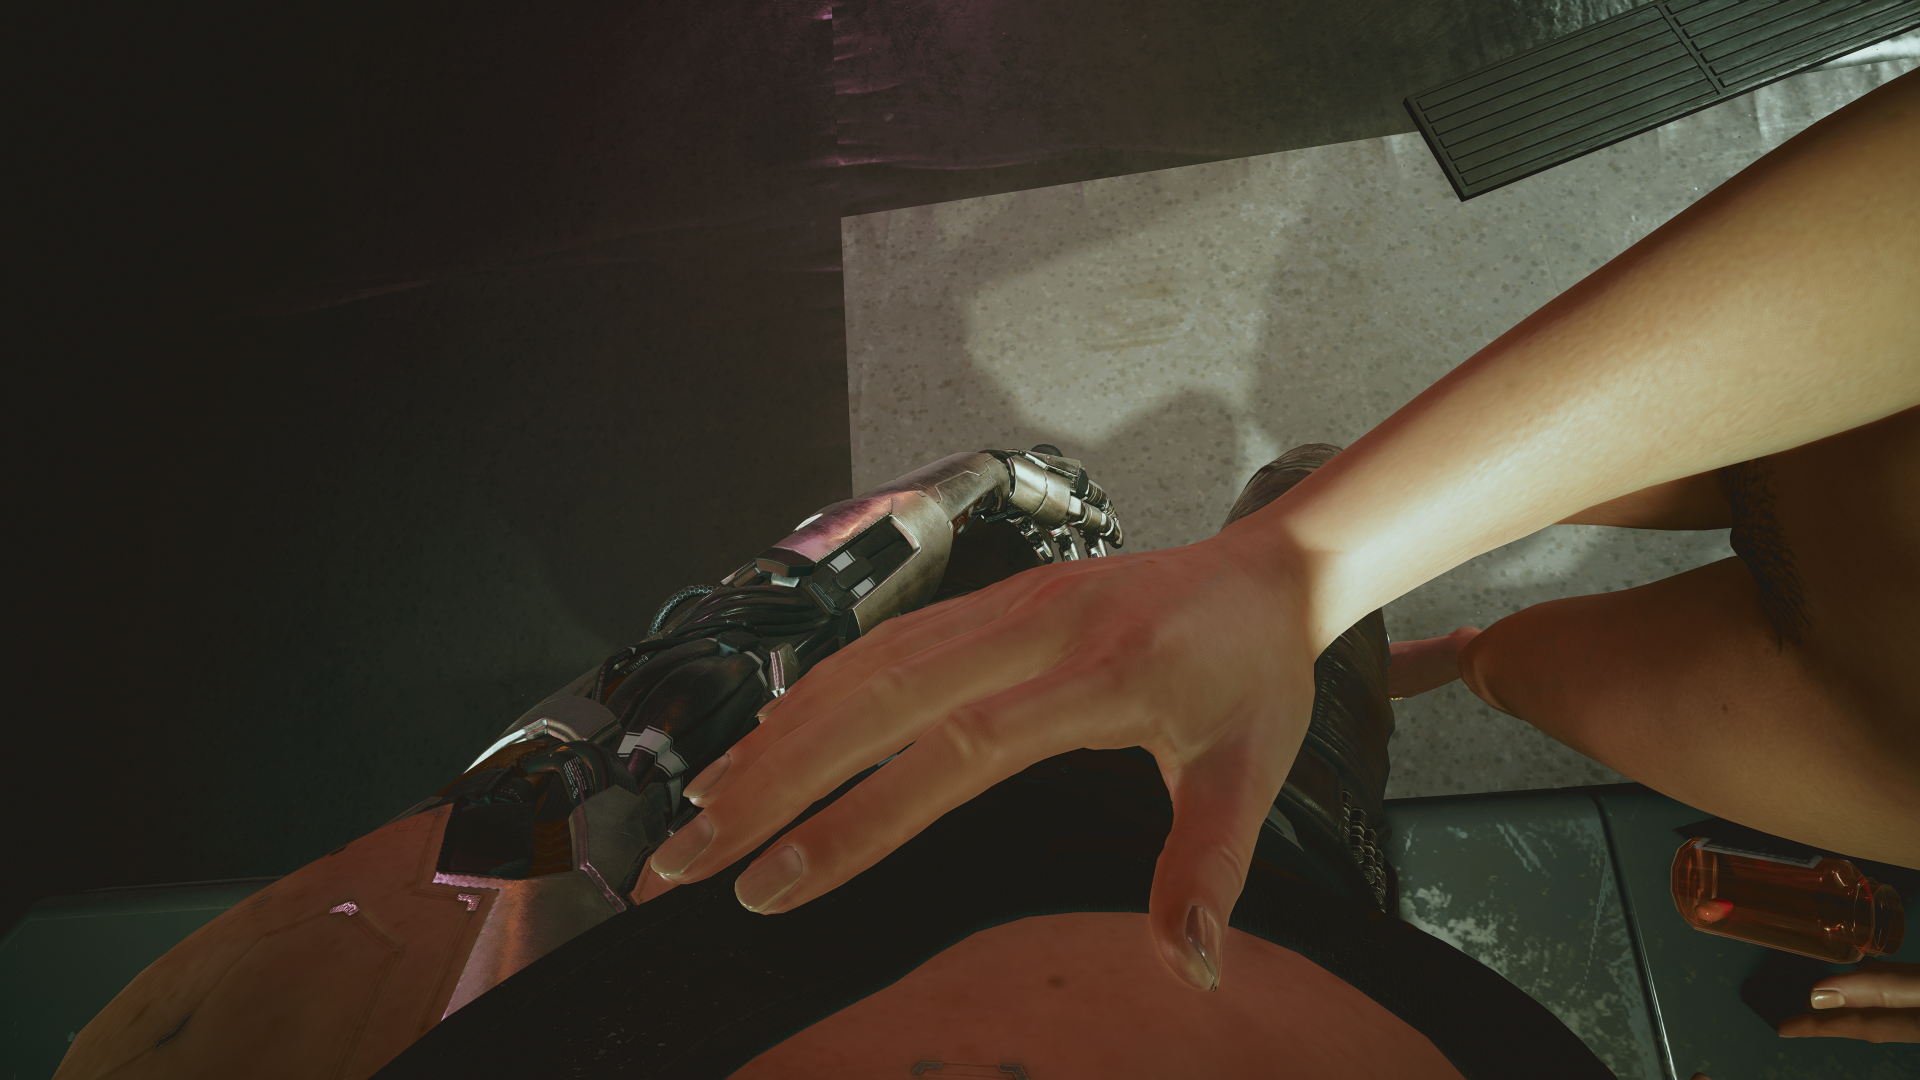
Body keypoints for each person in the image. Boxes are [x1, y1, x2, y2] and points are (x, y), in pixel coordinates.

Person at [645, 65, 1920, 1046]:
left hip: (1879, 741)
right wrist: (1300, 560)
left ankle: (1447, 656)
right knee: (1458, 534)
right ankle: (1415, 637)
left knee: (1519, 663)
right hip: (1875, 503)